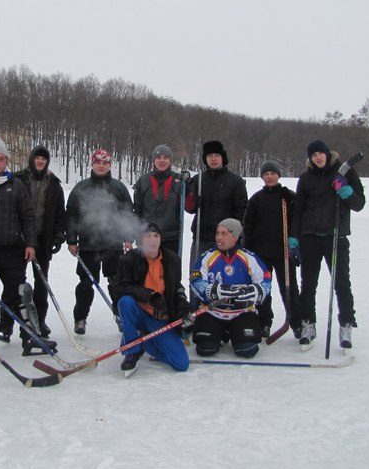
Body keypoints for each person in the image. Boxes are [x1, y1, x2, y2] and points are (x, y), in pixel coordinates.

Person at [0, 137, 56, 355]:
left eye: (1, 159)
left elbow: (27, 216)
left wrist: (30, 243)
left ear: (6, 160)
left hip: (12, 250)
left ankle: (31, 337)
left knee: (21, 293)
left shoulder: (16, 184)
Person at [289, 140, 366, 350]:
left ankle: (346, 324)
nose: (318, 158)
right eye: (313, 155)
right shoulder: (305, 179)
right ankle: (308, 323)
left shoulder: (345, 173)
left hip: (336, 237)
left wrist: (345, 190)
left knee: (341, 283)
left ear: (327, 154)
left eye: (320, 154)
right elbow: (299, 210)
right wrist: (294, 239)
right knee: (308, 284)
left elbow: (359, 204)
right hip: (310, 237)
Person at [66, 148, 135, 335]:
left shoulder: (118, 187)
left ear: (110, 165)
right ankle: (80, 318)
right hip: (89, 244)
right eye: (98, 162)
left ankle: (121, 316)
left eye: (105, 163)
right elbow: (71, 214)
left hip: (113, 244)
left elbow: (128, 212)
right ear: (92, 164)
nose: (101, 165)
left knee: (116, 283)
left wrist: (129, 237)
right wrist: (71, 240)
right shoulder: (81, 187)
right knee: (86, 284)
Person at [109, 222, 192, 376]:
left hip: (160, 317)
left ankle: (144, 341)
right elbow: (119, 289)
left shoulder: (172, 259)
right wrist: (149, 296)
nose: (153, 240)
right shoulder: (130, 259)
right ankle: (132, 351)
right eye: (148, 236)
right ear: (141, 240)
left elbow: (176, 288)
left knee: (181, 364)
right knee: (125, 302)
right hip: (139, 312)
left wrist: (184, 310)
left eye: (156, 236)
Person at [190, 218, 272, 358]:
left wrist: (256, 291)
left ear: (235, 236)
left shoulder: (248, 257)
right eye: (217, 233)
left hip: (241, 311)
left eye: (224, 233)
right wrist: (212, 291)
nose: (219, 237)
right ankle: (219, 332)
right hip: (212, 310)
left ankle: (232, 332)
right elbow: (195, 280)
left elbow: (265, 279)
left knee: (247, 350)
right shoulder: (207, 257)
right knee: (205, 349)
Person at [242, 161, 301, 339]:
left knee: (289, 289)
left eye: (272, 173)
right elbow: (248, 225)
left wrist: (295, 244)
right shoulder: (256, 199)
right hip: (262, 254)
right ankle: (265, 322)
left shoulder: (288, 196)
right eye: (266, 174)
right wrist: (248, 248)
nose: (269, 177)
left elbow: (298, 217)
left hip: (284, 253)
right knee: (263, 291)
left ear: (278, 175)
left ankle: (296, 322)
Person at [14, 145, 66, 337]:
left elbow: (60, 212)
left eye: (44, 159)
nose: (40, 162)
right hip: (20, 239)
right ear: (32, 159)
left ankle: (39, 321)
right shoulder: (19, 179)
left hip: (43, 239)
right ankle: (15, 320)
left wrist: (59, 235)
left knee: (41, 282)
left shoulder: (53, 183)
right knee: (17, 283)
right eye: (37, 158)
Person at [184, 140, 248, 261]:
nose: (213, 159)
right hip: (201, 238)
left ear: (222, 158)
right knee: (197, 276)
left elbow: (241, 210)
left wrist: (234, 233)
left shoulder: (235, 181)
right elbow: (190, 208)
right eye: (210, 156)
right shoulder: (198, 179)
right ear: (205, 159)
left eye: (216, 155)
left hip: (226, 239)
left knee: (224, 277)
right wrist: (191, 197)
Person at [132, 144, 186, 256]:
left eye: (166, 157)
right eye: (158, 157)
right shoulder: (143, 181)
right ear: (153, 161)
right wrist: (138, 234)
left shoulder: (179, 181)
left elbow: (190, 206)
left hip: (170, 237)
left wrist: (189, 184)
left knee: (169, 272)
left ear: (170, 161)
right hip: (147, 236)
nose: (162, 160)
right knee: (147, 272)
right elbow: (137, 210)